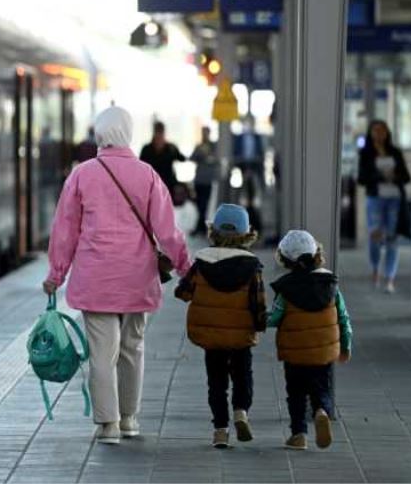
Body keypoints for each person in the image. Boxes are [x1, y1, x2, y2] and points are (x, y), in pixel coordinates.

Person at [43, 105, 191, 445]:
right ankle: (129, 418)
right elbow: (168, 231)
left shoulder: (82, 175)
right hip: (137, 279)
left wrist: (56, 273)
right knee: (133, 348)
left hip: (96, 279)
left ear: (99, 133)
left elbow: (65, 230)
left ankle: (107, 424)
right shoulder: (147, 175)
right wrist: (185, 267)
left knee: (101, 353)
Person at [175, 204, 266, 449]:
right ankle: (241, 412)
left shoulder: (202, 263)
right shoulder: (252, 266)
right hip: (241, 335)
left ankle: (220, 430)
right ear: (247, 234)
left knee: (216, 381)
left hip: (211, 335)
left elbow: (183, 292)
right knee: (243, 375)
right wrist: (260, 325)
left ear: (213, 232)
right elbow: (258, 302)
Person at [268, 230, 353, 451]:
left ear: (285, 259)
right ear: (317, 254)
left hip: (295, 352)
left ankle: (298, 434)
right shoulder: (330, 285)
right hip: (323, 352)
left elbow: (274, 317)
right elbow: (343, 317)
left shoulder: (285, 289)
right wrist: (346, 344)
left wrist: (257, 321)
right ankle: (321, 411)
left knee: (295, 392)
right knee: (321, 387)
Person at [356, 120, 411, 293]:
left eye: (382, 131)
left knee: (392, 238)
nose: (379, 134)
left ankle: (389, 277)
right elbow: (362, 179)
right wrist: (380, 176)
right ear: (370, 133)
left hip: (394, 199)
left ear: (387, 133)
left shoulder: (395, 152)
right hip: (376, 198)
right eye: (375, 131)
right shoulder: (366, 154)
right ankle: (375, 268)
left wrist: (394, 177)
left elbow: (406, 176)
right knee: (375, 236)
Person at [140, 120, 185, 193]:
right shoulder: (147, 149)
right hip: (153, 185)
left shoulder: (170, 148)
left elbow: (182, 159)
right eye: (158, 131)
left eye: (161, 132)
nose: (159, 134)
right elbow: (141, 166)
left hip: (168, 184)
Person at [189, 127, 218, 235]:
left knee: (204, 204)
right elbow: (191, 158)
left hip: (208, 180)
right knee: (199, 204)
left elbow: (216, 159)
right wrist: (200, 154)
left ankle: (200, 227)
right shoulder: (199, 146)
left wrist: (209, 156)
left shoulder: (214, 146)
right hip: (198, 179)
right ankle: (201, 227)